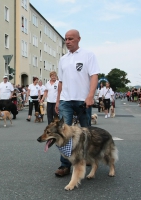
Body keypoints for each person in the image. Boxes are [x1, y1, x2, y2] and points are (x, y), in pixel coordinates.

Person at [54, 29, 100, 177]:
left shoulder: (88, 55)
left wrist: (90, 96)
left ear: (79, 39)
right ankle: (65, 165)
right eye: (66, 39)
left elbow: (94, 76)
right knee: (63, 132)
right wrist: (58, 100)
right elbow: (61, 82)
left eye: (71, 39)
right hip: (66, 100)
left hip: (82, 99)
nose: (67, 41)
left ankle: (86, 159)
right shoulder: (63, 59)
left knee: (86, 132)